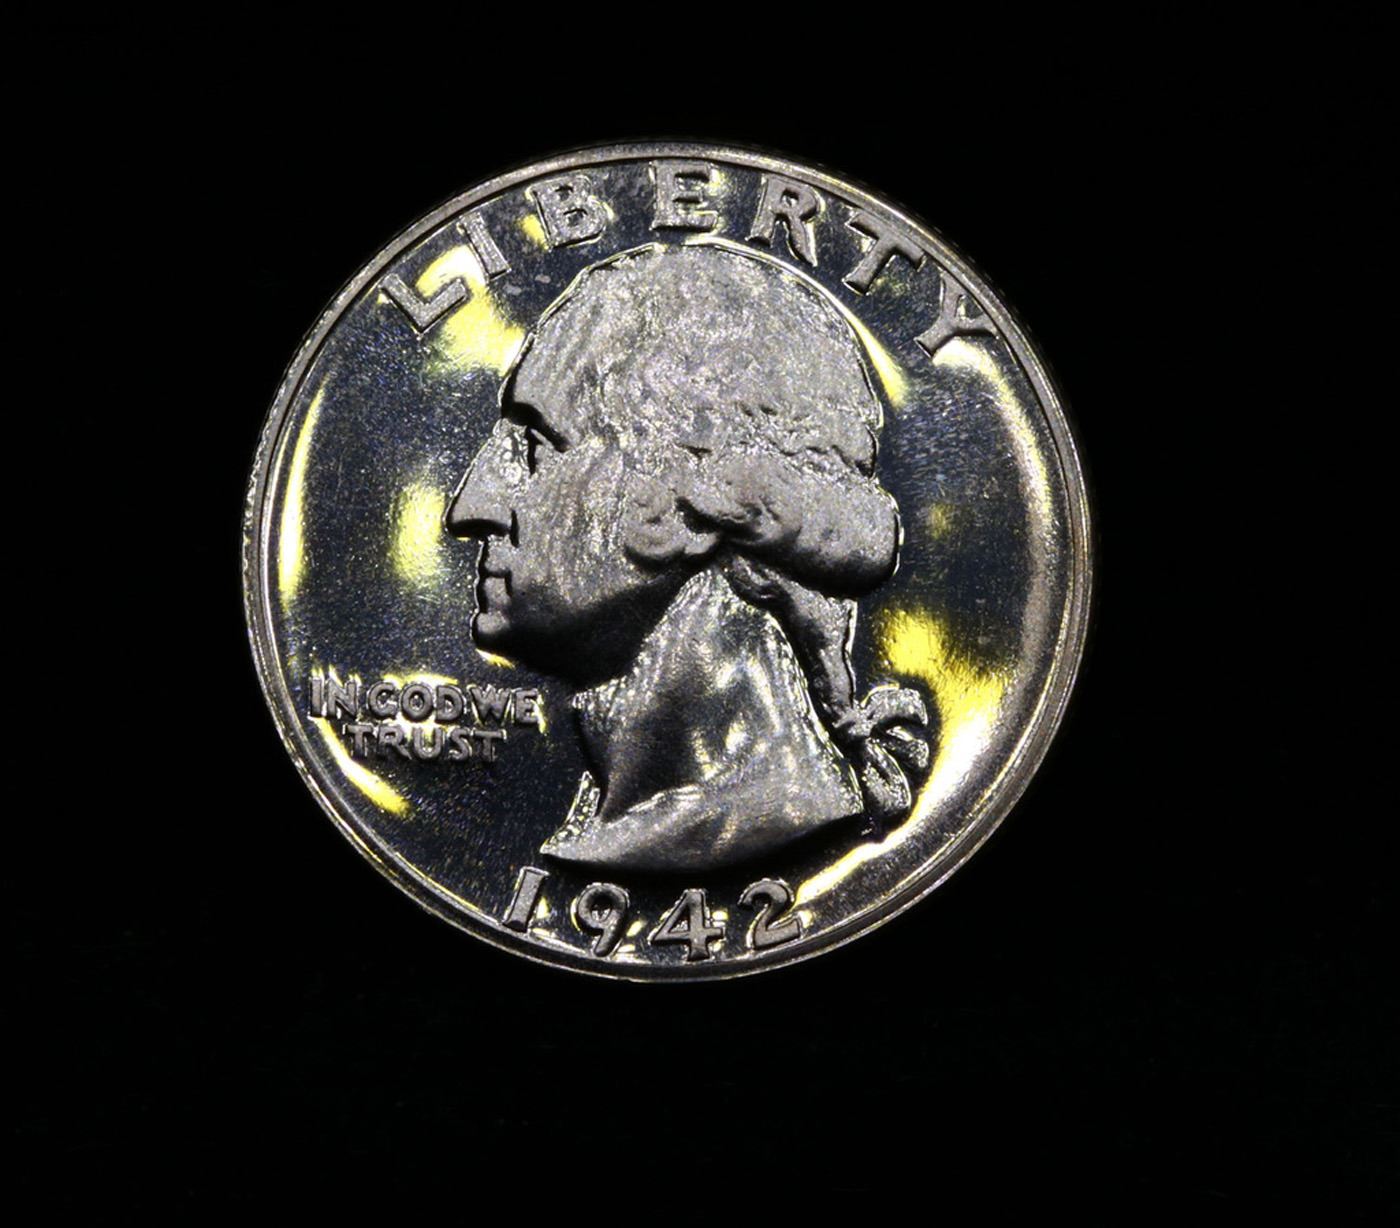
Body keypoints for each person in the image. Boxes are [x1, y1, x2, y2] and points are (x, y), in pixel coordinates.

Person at [446, 242, 928, 873]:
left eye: (537, 447)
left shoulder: (752, 816)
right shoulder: (634, 819)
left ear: (679, 505)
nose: (469, 509)